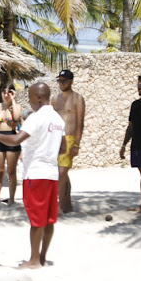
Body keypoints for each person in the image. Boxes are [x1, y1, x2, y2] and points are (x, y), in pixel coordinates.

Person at [0, 82, 66, 269]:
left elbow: (16, 139)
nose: (29, 102)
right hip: (51, 174)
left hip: (36, 174)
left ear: (39, 97)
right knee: (48, 220)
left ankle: (33, 261)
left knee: (36, 220)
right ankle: (43, 258)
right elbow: (62, 148)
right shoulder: (58, 119)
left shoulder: (36, 118)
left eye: (31, 97)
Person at [51, 69, 85, 213]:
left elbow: (80, 123)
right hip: (56, 139)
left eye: (64, 81)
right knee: (62, 174)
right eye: (59, 80)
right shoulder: (54, 99)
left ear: (71, 82)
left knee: (62, 173)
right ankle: (67, 204)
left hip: (70, 139)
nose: (61, 83)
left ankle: (60, 205)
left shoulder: (77, 98)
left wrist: (77, 144)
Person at [120, 75, 141, 214]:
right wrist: (123, 145)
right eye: (138, 84)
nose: (139, 86)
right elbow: (131, 126)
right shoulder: (135, 105)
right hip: (136, 145)